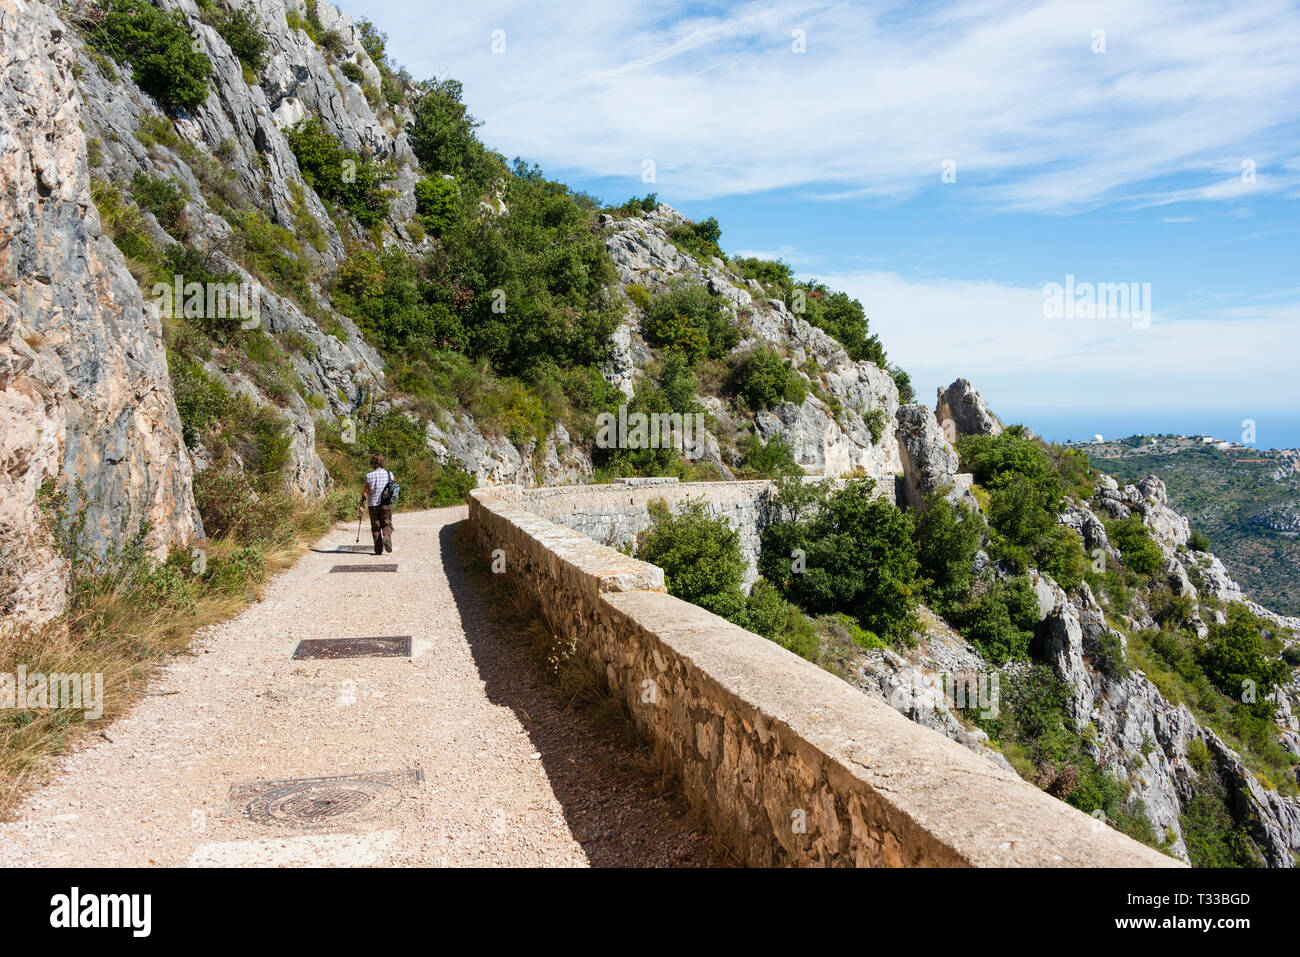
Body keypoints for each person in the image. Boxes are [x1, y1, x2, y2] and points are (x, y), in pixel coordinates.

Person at [360, 453, 395, 555]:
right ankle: (387, 538)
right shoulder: (390, 474)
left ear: (372, 463)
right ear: (382, 462)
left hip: (373, 505)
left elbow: (366, 492)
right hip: (386, 504)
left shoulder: (369, 476)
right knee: (387, 524)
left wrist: (361, 505)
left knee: (375, 528)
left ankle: (378, 549)